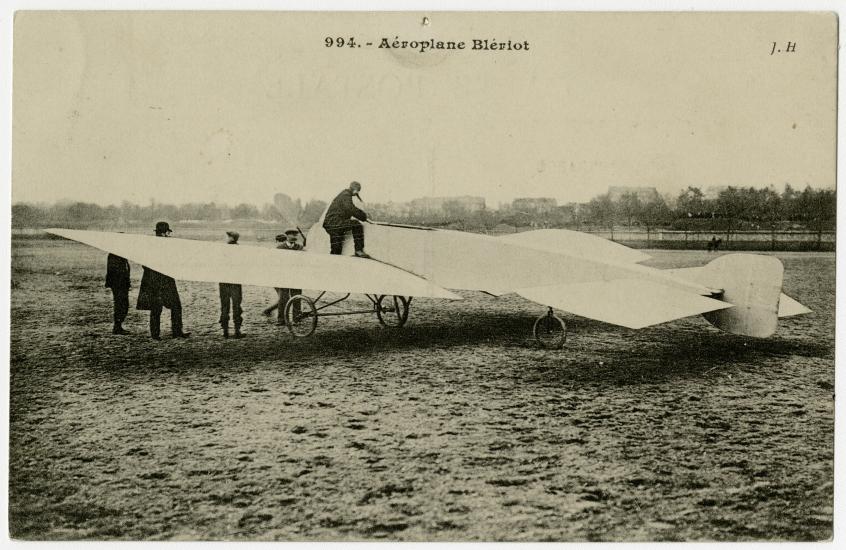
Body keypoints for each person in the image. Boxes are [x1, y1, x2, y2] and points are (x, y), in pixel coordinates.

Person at [136, 221, 190, 340]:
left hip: (160, 281)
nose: (169, 235)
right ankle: (169, 333)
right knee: (160, 307)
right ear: (164, 233)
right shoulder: (158, 246)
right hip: (159, 282)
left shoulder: (151, 245)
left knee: (170, 306)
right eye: (167, 233)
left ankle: (161, 333)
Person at [262, 228, 306, 325]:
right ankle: (281, 320)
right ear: (287, 236)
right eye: (292, 235)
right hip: (283, 276)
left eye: (296, 235)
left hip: (296, 276)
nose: (294, 237)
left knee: (296, 297)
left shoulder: (300, 247)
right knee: (283, 299)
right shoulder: (280, 248)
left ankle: (296, 319)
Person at [322, 181, 371, 258]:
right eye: (358, 190)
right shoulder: (346, 195)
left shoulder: (343, 194)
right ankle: (359, 250)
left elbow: (346, 210)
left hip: (330, 224)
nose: (357, 193)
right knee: (357, 225)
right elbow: (350, 209)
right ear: (355, 190)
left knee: (336, 250)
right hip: (335, 223)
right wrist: (364, 217)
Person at [219, 231, 244, 338]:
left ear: (231, 238)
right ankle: (237, 331)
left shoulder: (223, 250)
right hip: (235, 282)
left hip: (224, 282)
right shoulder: (240, 250)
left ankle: (225, 331)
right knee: (236, 306)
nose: (226, 238)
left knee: (224, 306)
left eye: (228, 236)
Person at [105, 253, 131, 335]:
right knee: (121, 304)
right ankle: (117, 326)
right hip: (118, 283)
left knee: (122, 304)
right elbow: (114, 272)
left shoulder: (118, 255)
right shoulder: (114, 255)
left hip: (121, 283)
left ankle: (118, 325)